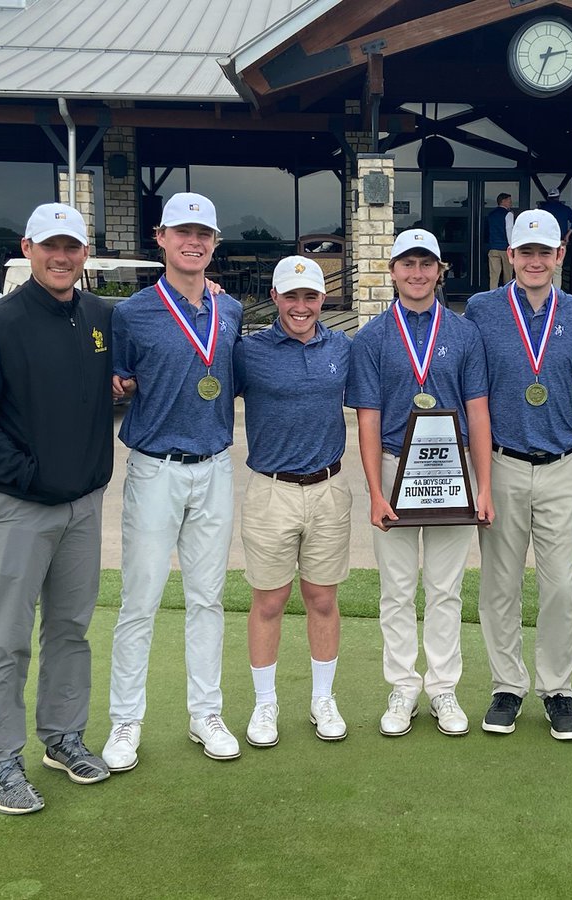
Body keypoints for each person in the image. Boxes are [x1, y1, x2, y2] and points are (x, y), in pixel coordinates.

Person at [0, 202, 113, 814]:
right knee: (7, 638)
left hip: (81, 505)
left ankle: (62, 736)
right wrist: (29, 477)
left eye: (72, 246)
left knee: (70, 629)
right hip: (16, 507)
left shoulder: (99, 315)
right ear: (27, 248)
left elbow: (107, 386)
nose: (62, 256)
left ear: (85, 252)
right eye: (50, 246)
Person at [102, 192, 244, 772]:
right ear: (160, 238)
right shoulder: (132, 312)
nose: (194, 242)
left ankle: (205, 712)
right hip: (155, 468)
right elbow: (118, 377)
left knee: (208, 599)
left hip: (214, 467)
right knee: (140, 600)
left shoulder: (229, 310)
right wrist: (120, 384)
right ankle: (126, 721)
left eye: (204, 234)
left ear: (214, 243)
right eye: (183, 232)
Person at [346, 228, 494, 738]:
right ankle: (404, 685)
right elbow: (367, 418)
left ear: (439, 270)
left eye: (425, 264)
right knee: (397, 588)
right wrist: (374, 492)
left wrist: (486, 486)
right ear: (392, 271)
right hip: (393, 466)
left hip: (453, 471)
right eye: (406, 264)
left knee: (446, 588)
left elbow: (478, 414)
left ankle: (444, 687)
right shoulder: (370, 337)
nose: (416, 273)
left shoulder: (463, 333)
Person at [464, 209, 572, 741]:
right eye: (526, 252)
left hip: (562, 466)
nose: (536, 261)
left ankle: (557, 689)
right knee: (499, 584)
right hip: (500, 463)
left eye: (546, 252)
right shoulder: (481, 309)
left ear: (560, 254)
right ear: (511, 255)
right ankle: (506, 686)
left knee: (562, 587)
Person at [234, 256, 352, 747]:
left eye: (310, 297)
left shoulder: (342, 346)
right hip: (270, 490)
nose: (300, 307)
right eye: (291, 296)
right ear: (276, 298)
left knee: (322, 599)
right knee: (270, 600)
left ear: (323, 299)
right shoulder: (248, 351)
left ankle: (322, 698)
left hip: (328, 489)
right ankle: (266, 703)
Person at [539, 188, 572, 289]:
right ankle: (556, 294)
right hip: (560, 241)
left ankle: (544, 291)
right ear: (558, 197)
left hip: (546, 242)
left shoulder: (543, 209)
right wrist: (568, 235)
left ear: (548, 197)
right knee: (557, 269)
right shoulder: (565, 209)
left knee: (544, 267)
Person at [485, 192, 514, 290]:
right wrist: (512, 246)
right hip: (505, 248)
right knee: (508, 275)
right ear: (504, 201)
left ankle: (492, 294)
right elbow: (509, 230)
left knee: (494, 275)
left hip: (493, 248)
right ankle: (507, 295)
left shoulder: (491, 214)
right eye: (509, 201)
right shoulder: (508, 214)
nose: (511, 203)